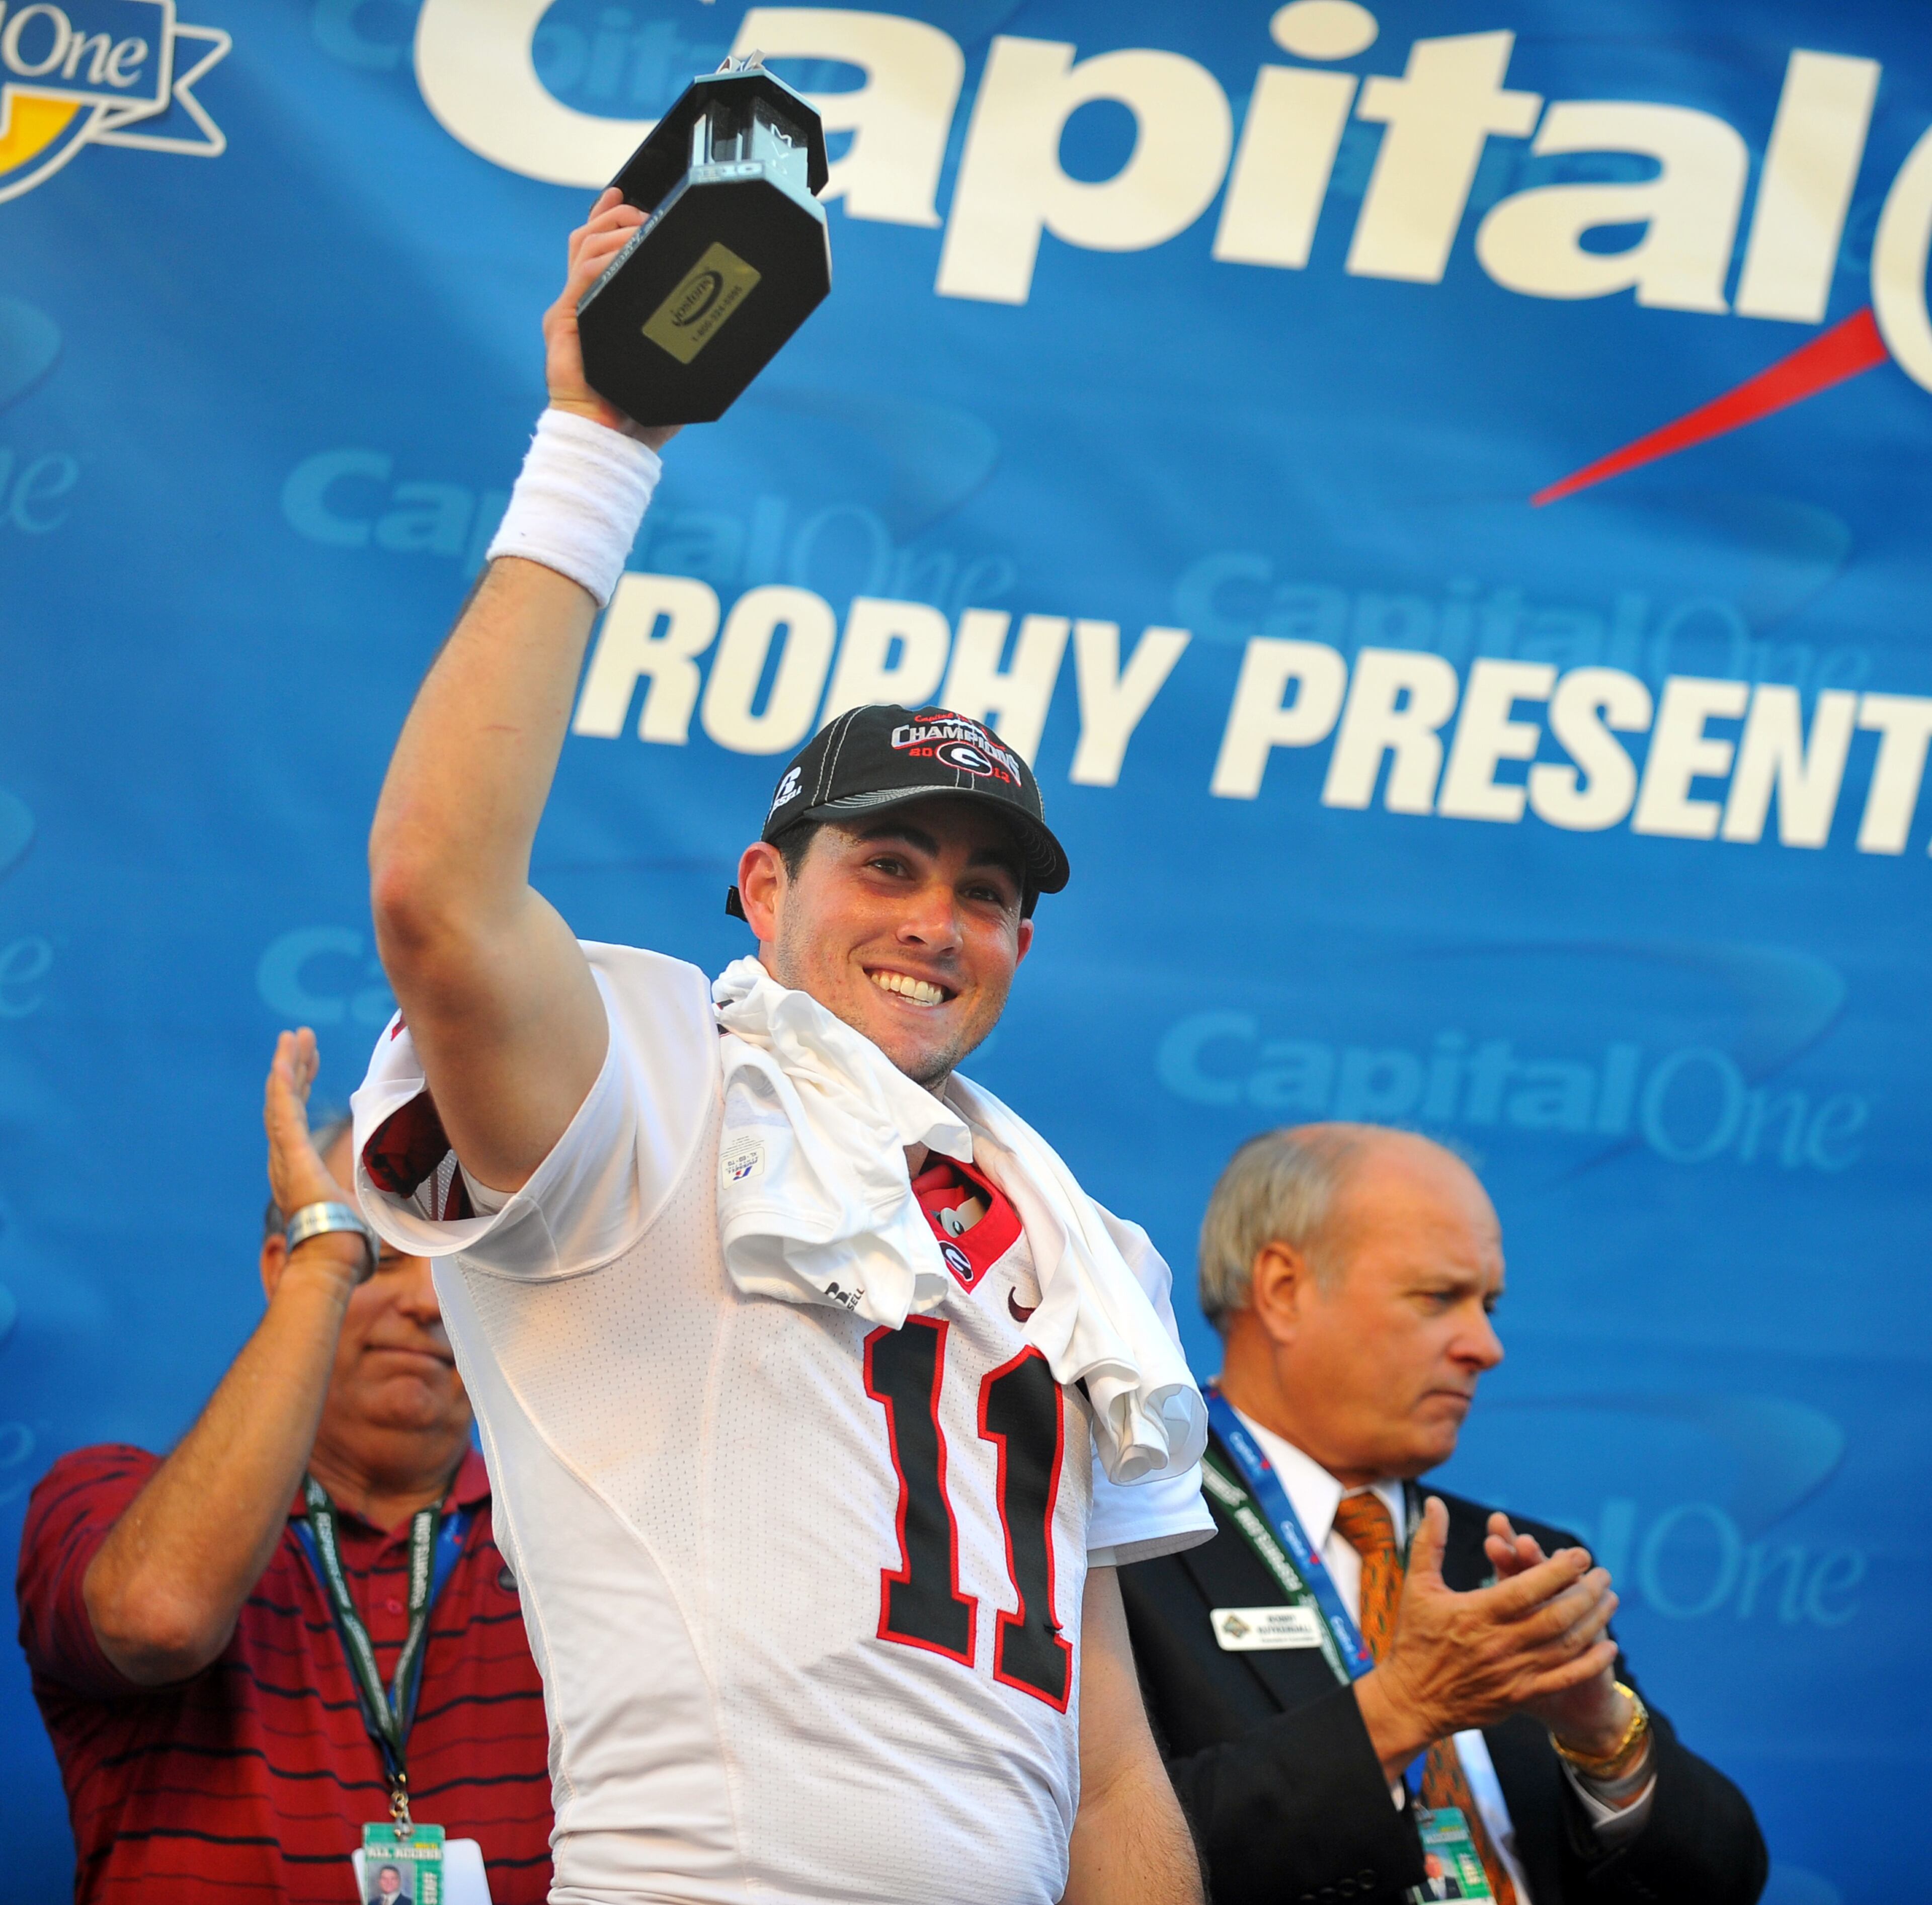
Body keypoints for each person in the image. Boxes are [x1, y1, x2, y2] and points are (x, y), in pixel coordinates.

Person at [346, 185, 1214, 1905]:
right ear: (761, 885)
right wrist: (596, 441)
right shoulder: (657, 1074)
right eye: (884, 863)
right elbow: (439, 896)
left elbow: (1105, 1756)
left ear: (1022, 944)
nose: (934, 922)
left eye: (983, 892)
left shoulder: (1077, 1236)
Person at [1119, 1124, 1768, 1905]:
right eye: (1438, 1298)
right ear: (1284, 1290)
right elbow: (1092, 1858)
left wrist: (1604, 1738)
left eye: (1489, 1304)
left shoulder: (1511, 1565)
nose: (1487, 1346)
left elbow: (1725, 1883)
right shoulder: (1121, 1539)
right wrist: (1403, 1711)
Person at [16, 1031, 553, 1903]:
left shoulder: (575, 1550)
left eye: (464, 1271)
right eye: (380, 1255)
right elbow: (159, 1617)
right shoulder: (104, 1498)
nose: (423, 1303)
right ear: (287, 1266)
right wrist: (328, 1263)